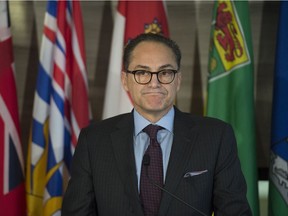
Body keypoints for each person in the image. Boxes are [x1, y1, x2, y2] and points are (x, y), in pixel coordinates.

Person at [62, 33, 252, 216]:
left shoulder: (215, 137)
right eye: (142, 72)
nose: (154, 83)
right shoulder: (94, 140)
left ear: (178, 80)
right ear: (125, 80)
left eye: (165, 72)